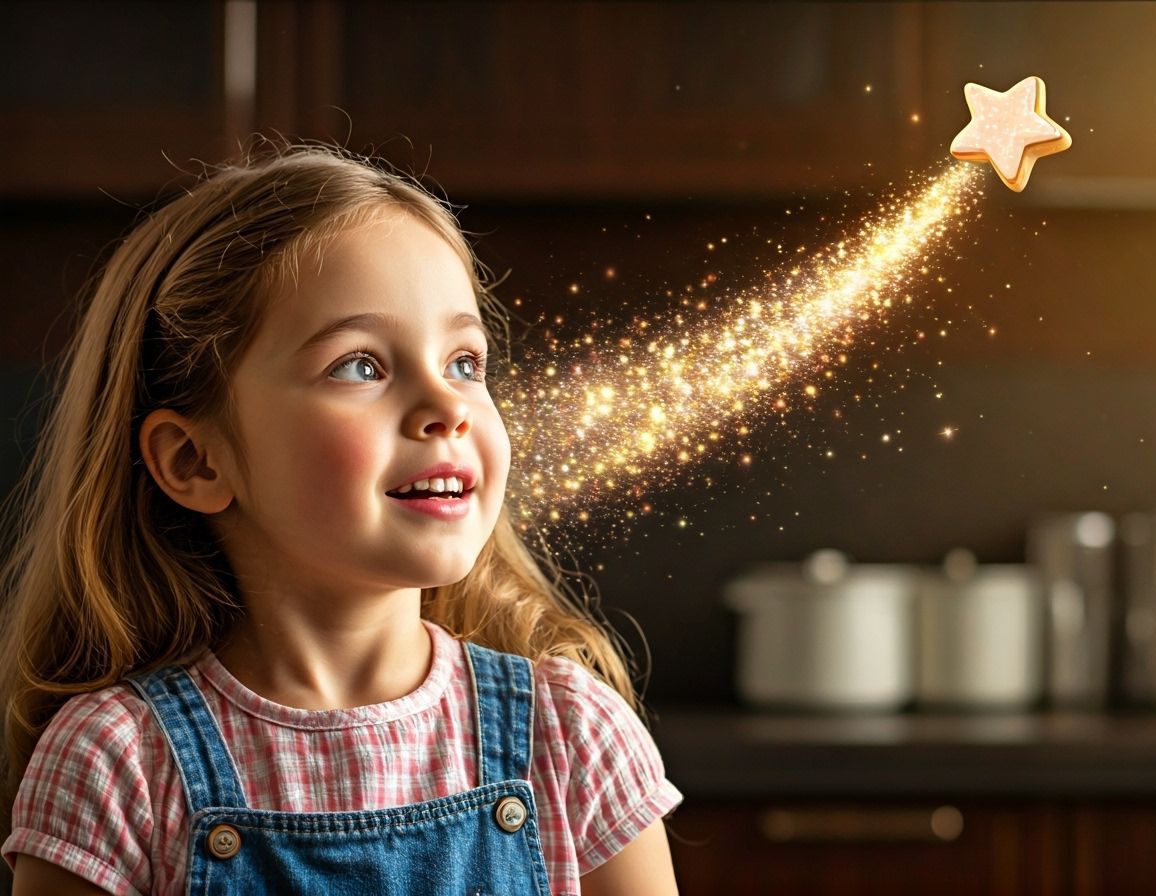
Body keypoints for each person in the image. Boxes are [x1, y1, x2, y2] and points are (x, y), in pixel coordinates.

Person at [0, 143, 682, 895]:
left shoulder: (572, 736)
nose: (447, 407)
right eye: (361, 365)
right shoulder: (116, 762)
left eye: (464, 363)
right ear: (196, 461)